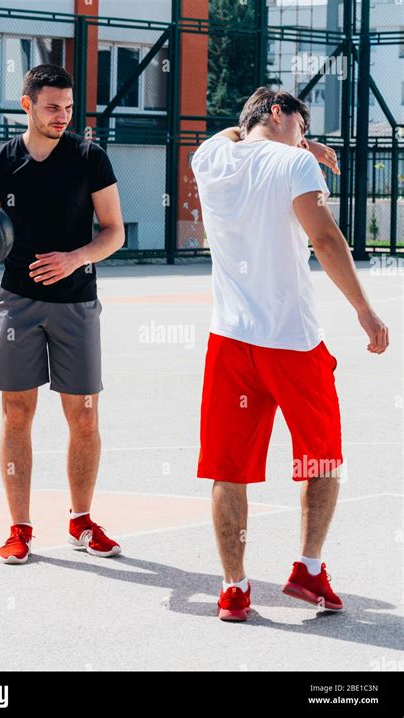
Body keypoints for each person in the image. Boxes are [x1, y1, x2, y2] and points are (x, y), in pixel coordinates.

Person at [191, 87, 389, 621]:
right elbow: (325, 240)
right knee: (322, 457)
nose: (306, 140)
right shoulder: (295, 167)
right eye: (302, 127)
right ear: (278, 114)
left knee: (228, 470)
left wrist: (298, 145)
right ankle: (307, 568)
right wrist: (365, 311)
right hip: (292, 343)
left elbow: (237, 136)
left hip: (230, 341)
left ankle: (234, 587)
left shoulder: (208, 157)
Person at [0, 64, 125, 563]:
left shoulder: (89, 158)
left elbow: (113, 231)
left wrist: (76, 257)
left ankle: (81, 521)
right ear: (26, 105)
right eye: (52, 107)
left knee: (85, 417)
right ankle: (20, 528)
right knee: (16, 413)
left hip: (76, 301)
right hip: (17, 301)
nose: (63, 116)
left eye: (69, 107)